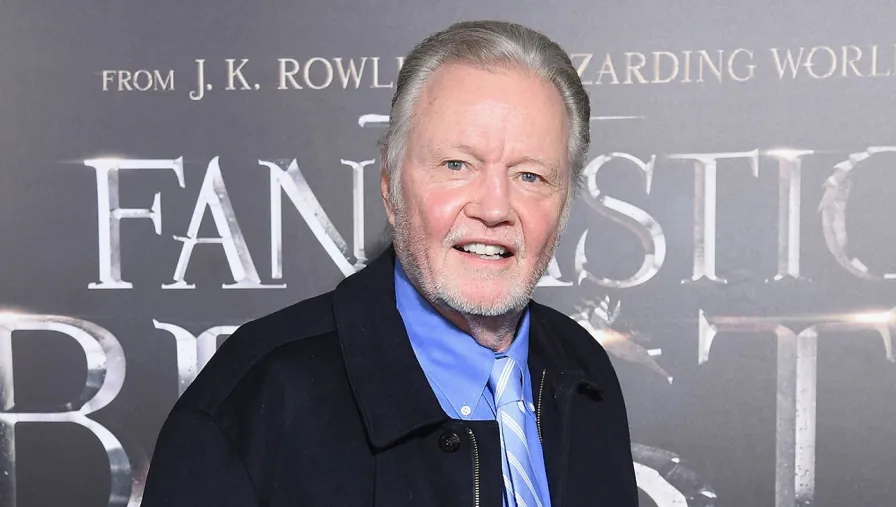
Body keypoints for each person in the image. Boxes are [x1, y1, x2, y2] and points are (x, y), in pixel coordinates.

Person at [141, 20, 638, 507]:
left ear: (564, 203)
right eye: (456, 165)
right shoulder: (251, 398)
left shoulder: (584, 370)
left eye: (530, 176)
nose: (494, 208)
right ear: (390, 185)